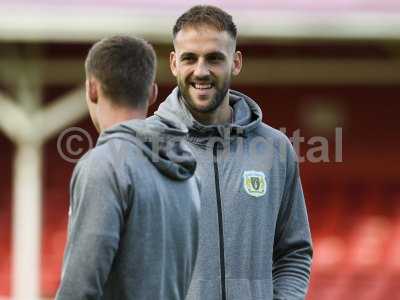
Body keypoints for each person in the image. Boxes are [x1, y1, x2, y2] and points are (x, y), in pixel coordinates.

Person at [151, 5, 313, 300]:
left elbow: (294, 251)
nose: (201, 71)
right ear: (174, 63)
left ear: (236, 62)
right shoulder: (144, 146)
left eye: (214, 58)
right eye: (190, 58)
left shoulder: (275, 149)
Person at [56, 36, 201, 300]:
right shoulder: (190, 176)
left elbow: (80, 287)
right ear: (152, 92)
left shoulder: (104, 165)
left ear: (92, 89)